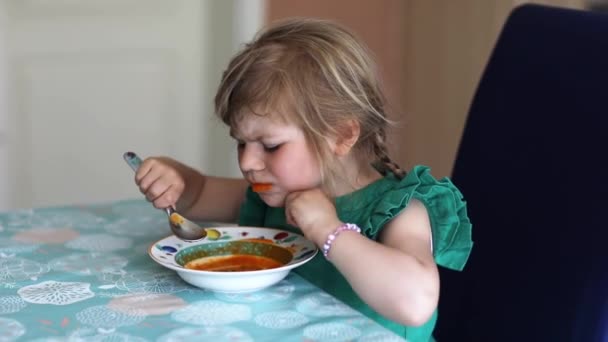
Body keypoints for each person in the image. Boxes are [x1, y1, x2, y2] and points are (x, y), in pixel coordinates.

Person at [133, 17, 473, 341]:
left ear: (341, 136)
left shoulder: (399, 210)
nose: (248, 162)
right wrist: (177, 179)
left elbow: (415, 304)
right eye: (241, 142)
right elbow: (202, 193)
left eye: (270, 145)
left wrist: (329, 231)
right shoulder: (279, 194)